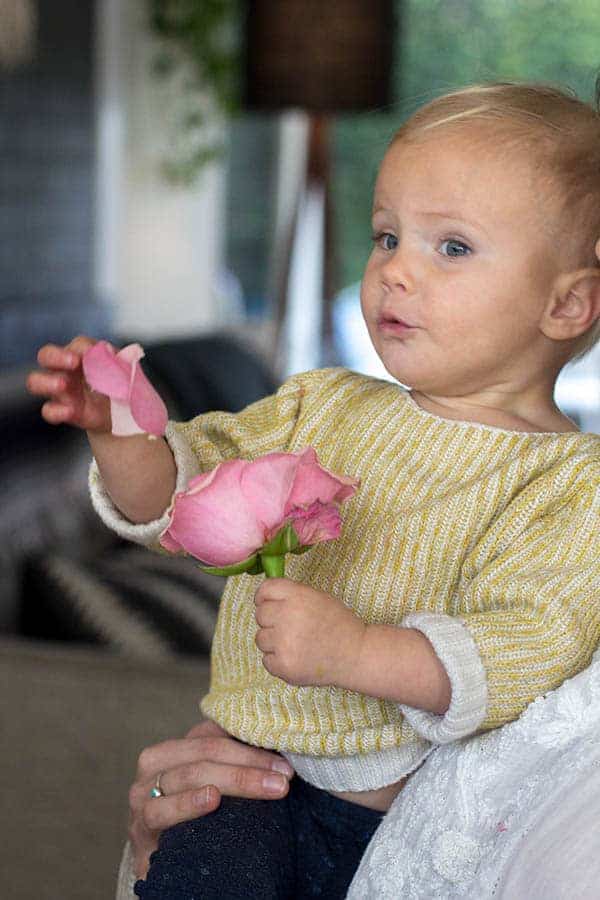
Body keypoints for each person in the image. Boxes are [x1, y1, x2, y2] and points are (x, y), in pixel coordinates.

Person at [27, 80, 600, 899]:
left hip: (396, 822)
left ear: (568, 302)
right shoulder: (323, 402)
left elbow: (529, 645)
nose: (395, 269)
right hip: (245, 774)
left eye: (453, 247)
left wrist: (359, 654)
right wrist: (121, 431)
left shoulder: (571, 483)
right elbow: (184, 500)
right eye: (386, 235)